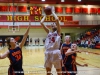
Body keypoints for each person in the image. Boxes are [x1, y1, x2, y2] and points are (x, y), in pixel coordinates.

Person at [40, 7, 62, 75]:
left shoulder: (58, 32)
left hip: (55, 51)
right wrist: (46, 15)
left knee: (58, 71)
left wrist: (52, 13)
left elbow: (57, 19)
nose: (52, 24)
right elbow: (41, 22)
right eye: (52, 24)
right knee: (48, 71)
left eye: (54, 24)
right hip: (48, 52)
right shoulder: (49, 32)